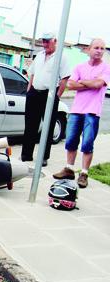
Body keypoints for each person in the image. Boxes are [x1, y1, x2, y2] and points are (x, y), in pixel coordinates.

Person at [53, 38, 110, 188]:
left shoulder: (106, 68)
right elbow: (70, 85)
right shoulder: (79, 66)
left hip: (92, 112)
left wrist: (82, 82)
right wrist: (90, 82)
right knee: (71, 140)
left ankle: (84, 173)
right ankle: (69, 169)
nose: (99, 50)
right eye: (96, 47)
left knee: (87, 143)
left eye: (102, 48)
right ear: (89, 49)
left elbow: (99, 84)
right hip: (76, 110)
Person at [21, 32, 71, 167]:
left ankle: (43, 157)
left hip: (49, 95)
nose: (45, 44)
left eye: (47, 41)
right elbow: (32, 73)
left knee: (48, 127)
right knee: (30, 125)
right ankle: (26, 154)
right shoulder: (40, 55)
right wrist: (29, 90)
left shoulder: (61, 57)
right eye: (43, 41)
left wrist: (57, 96)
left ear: (55, 41)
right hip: (34, 94)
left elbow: (65, 78)